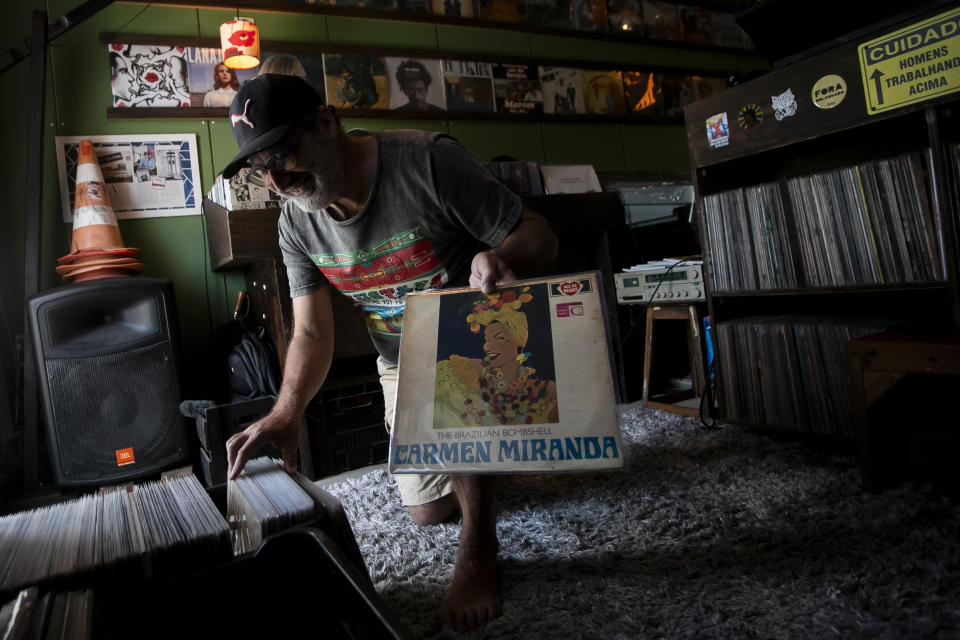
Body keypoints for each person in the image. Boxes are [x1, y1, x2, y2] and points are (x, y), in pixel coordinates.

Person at [220, 74, 558, 632]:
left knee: (452, 400)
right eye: (263, 167)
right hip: (399, 358)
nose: (279, 179)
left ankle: (480, 549)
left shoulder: (428, 163)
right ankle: (493, 456)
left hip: (475, 338)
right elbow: (311, 333)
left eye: (285, 153)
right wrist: (285, 413)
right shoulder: (295, 224)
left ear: (327, 124)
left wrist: (501, 257)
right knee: (425, 512)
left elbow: (540, 234)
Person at [434, 287, 559, 427]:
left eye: (499, 338)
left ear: (519, 342)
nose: (488, 347)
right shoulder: (460, 370)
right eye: (487, 340)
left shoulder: (548, 390)